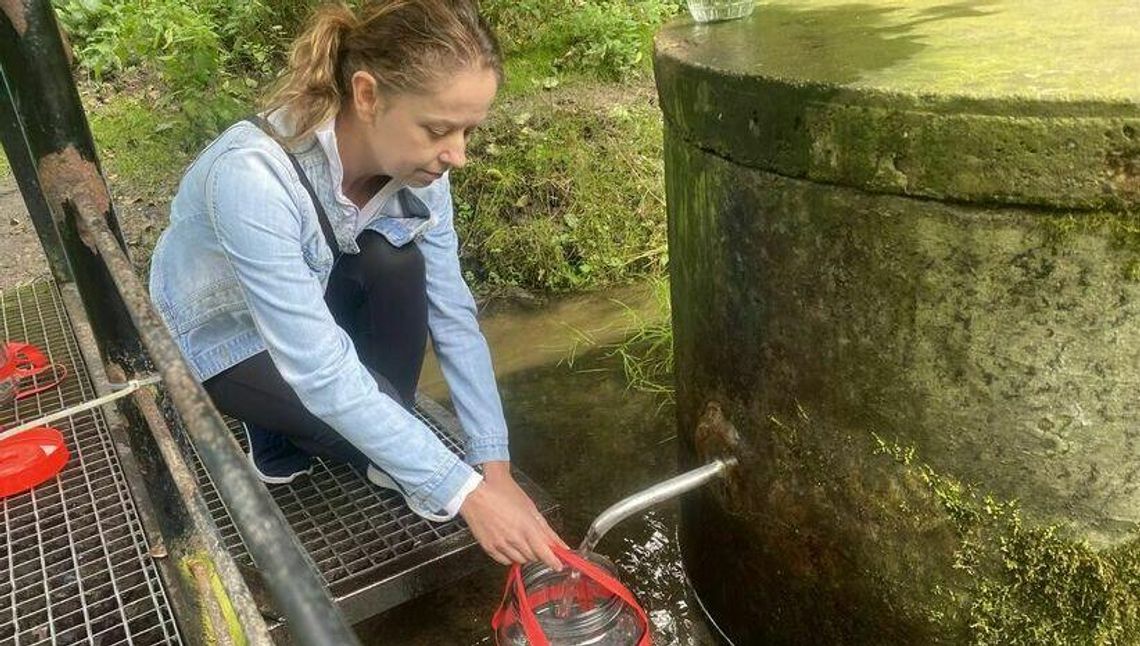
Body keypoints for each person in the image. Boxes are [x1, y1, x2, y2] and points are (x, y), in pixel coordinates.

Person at [148, 0, 567, 571]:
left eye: (469, 130)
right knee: (362, 434)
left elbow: (452, 314)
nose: (458, 155)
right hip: (222, 329)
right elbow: (321, 371)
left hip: (307, 294)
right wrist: (462, 492)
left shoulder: (422, 170)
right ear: (367, 96)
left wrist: (494, 468)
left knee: (397, 264)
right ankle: (274, 425)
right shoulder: (252, 176)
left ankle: (293, 433)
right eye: (439, 128)